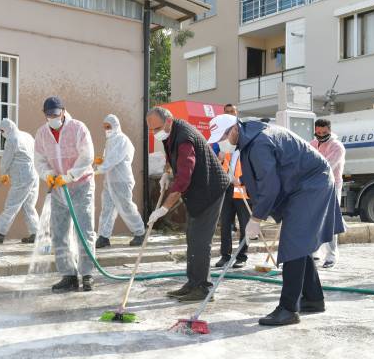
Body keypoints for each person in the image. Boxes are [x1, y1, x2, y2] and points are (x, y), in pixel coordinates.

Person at [207, 115, 344, 326]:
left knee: (293, 244)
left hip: (312, 186)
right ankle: (314, 299)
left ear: (234, 129)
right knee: (299, 244)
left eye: (222, 136)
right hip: (303, 184)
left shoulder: (259, 142)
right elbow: (267, 172)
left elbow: (270, 186)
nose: (221, 142)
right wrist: (243, 180)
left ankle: (288, 309)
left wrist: (256, 218)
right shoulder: (252, 138)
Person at [146, 107, 230, 302]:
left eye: (156, 128)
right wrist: (167, 171)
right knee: (192, 236)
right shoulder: (170, 133)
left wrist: (164, 208)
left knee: (200, 240)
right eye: (151, 130)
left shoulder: (184, 139)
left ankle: (203, 288)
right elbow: (170, 154)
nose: (155, 133)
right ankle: (193, 282)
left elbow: (184, 178)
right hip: (198, 190)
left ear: (169, 121)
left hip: (210, 190)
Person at [34, 96, 96, 292]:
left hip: (81, 185)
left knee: (84, 231)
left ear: (63, 111)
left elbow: (87, 155)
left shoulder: (78, 128)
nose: (53, 117)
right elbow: (39, 159)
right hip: (58, 187)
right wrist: (48, 174)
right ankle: (68, 274)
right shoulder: (42, 133)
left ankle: (87, 274)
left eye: (55, 113)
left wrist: (70, 176)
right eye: (49, 114)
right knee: (59, 233)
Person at [0, 119, 40, 245]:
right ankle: (36, 233)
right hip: (34, 174)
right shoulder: (27, 136)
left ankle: (0, 232)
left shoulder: (12, 140)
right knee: (28, 206)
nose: (2, 133)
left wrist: (3, 173)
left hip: (22, 176)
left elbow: (6, 159)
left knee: (12, 204)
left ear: (7, 129)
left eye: (2, 131)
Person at [95, 114, 146, 249]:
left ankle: (140, 233)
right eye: (105, 127)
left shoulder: (122, 139)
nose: (106, 129)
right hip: (110, 181)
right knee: (107, 208)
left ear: (116, 126)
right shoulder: (110, 140)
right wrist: (101, 161)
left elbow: (114, 158)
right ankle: (104, 237)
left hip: (121, 180)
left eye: (109, 126)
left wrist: (99, 169)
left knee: (126, 206)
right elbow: (109, 159)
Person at [214, 118, 250, 268]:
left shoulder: (247, 149)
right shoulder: (226, 148)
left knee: (244, 224)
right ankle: (225, 255)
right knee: (225, 223)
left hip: (243, 189)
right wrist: (219, 159)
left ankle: (242, 256)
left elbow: (252, 169)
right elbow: (219, 168)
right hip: (228, 188)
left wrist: (241, 180)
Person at [310, 118, 346, 268]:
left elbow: (326, 166)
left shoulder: (337, 147)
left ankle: (332, 255)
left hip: (332, 186)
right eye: (318, 132)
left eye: (324, 132)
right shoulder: (312, 144)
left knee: (330, 220)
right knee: (315, 218)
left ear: (329, 131)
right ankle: (316, 251)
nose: (321, 135)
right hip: (315, 186)